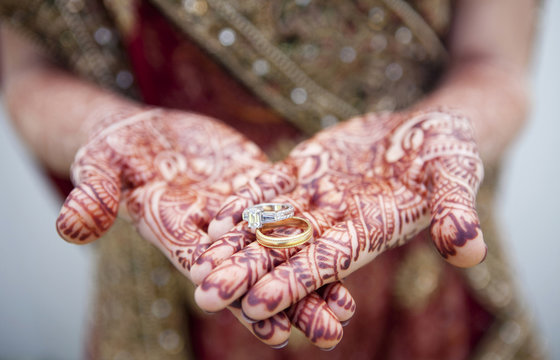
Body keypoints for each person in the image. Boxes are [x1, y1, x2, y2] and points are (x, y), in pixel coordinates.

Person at [0, 0, 546, 358]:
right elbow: (24, 71)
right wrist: (108, 130)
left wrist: (443, 130)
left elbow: (494, 61)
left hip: (417, 255)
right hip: (173, 237)